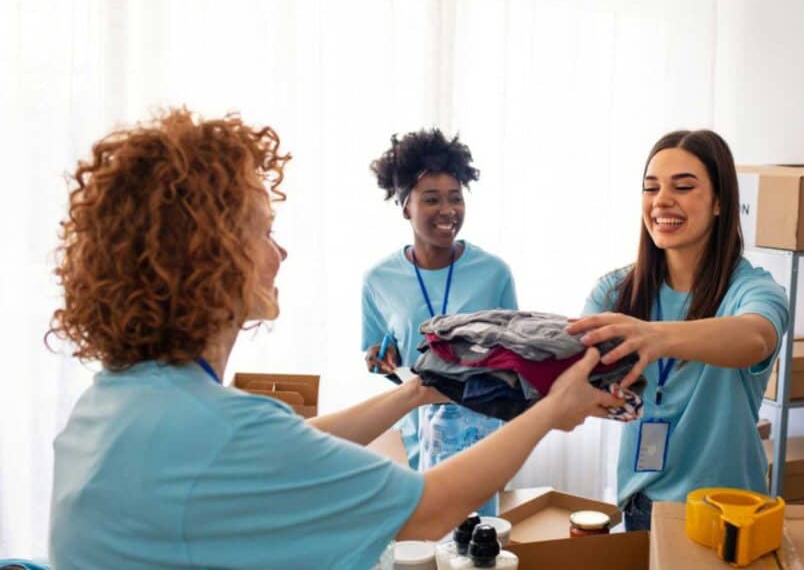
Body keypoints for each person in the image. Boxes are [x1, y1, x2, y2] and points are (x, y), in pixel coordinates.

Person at [48, 109, 623, 569]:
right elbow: (423, 511)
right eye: (266, 231)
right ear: (210, 256)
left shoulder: (116, 403)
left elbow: (287, 442)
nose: (282, 252)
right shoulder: (221, 428)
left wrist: (416, 392)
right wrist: (552, 410)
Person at [568, 129, 790, 531]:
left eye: (683, 186)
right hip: (642, 508)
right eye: (650, 188)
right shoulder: (614, 292)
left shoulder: (754, 289)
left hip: (729, 514)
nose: (661, 201)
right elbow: (575, 374)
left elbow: (755, 338)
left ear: (720, 201)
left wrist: (656, 337)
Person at [361, 130, 515, 514]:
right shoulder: (378, 279)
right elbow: (380, 350)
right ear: (405, 207)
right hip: (414, 443)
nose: (448, 210)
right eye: (431, 199)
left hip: (479, 443)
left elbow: (516, 356)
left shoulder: (494, 273)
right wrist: (380, 360)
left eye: (455, 198)